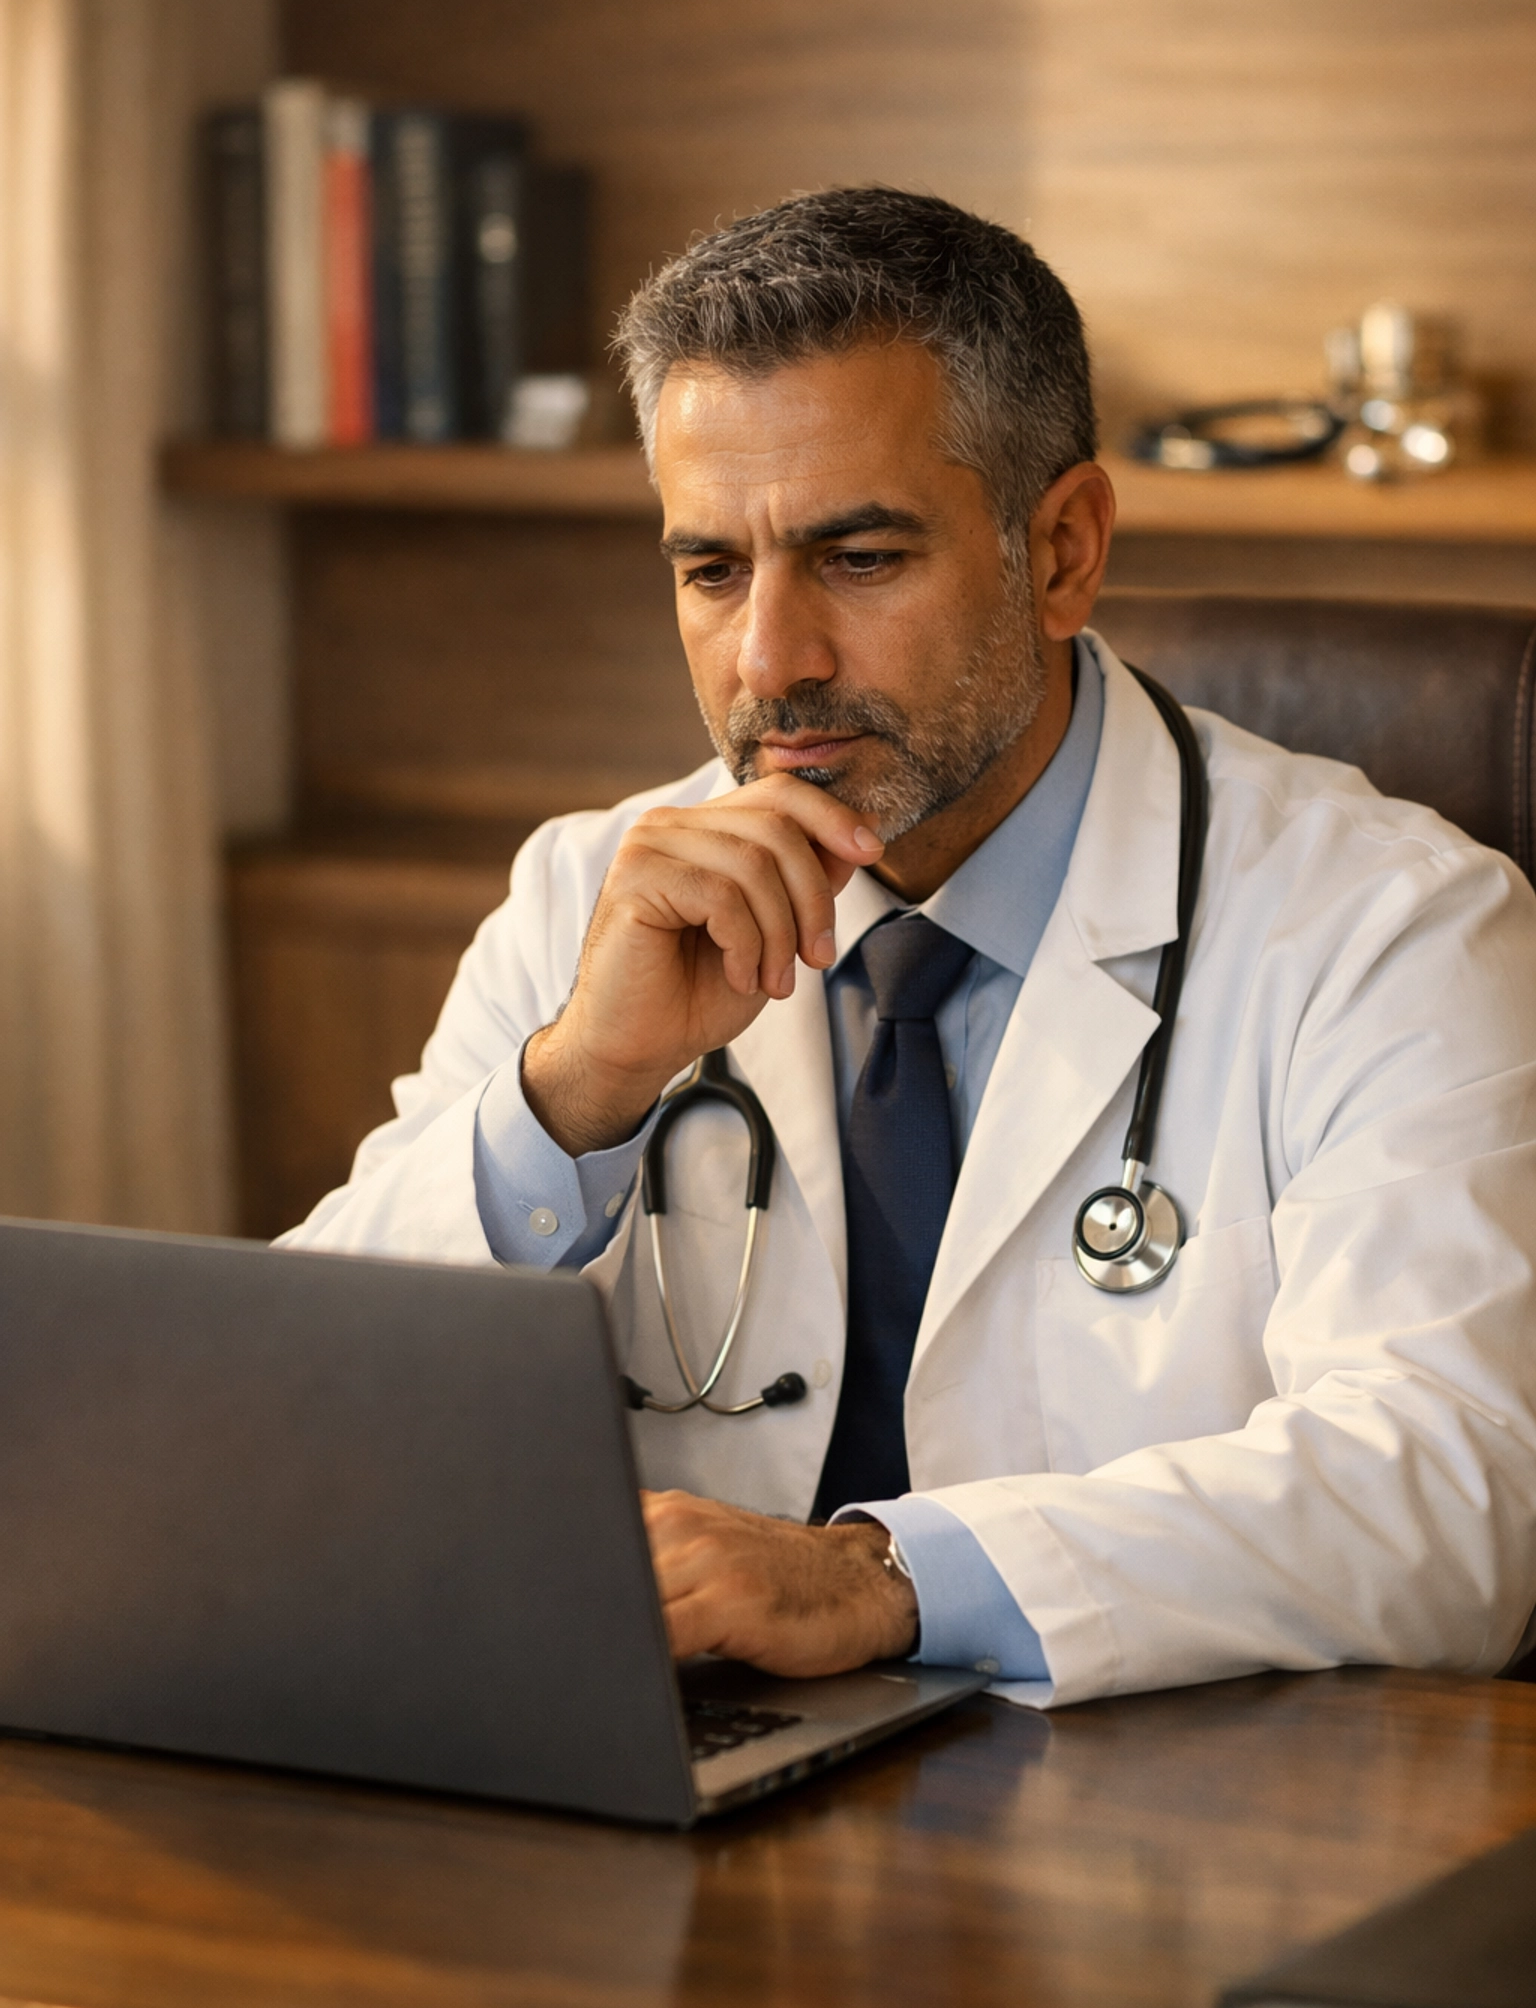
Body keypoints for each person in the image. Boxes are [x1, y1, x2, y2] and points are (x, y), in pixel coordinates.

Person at [284, 188, 1536, 1707]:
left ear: (1062, 550)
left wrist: (884, 1578)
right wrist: (573, 1096)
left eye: (860, 557)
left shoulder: (1391, 930)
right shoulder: (582, 899)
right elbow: (289, 1431)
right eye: (711, 570)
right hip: (675, 1771)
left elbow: (1457, 1500)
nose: (770, 662)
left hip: (1161, 1806)